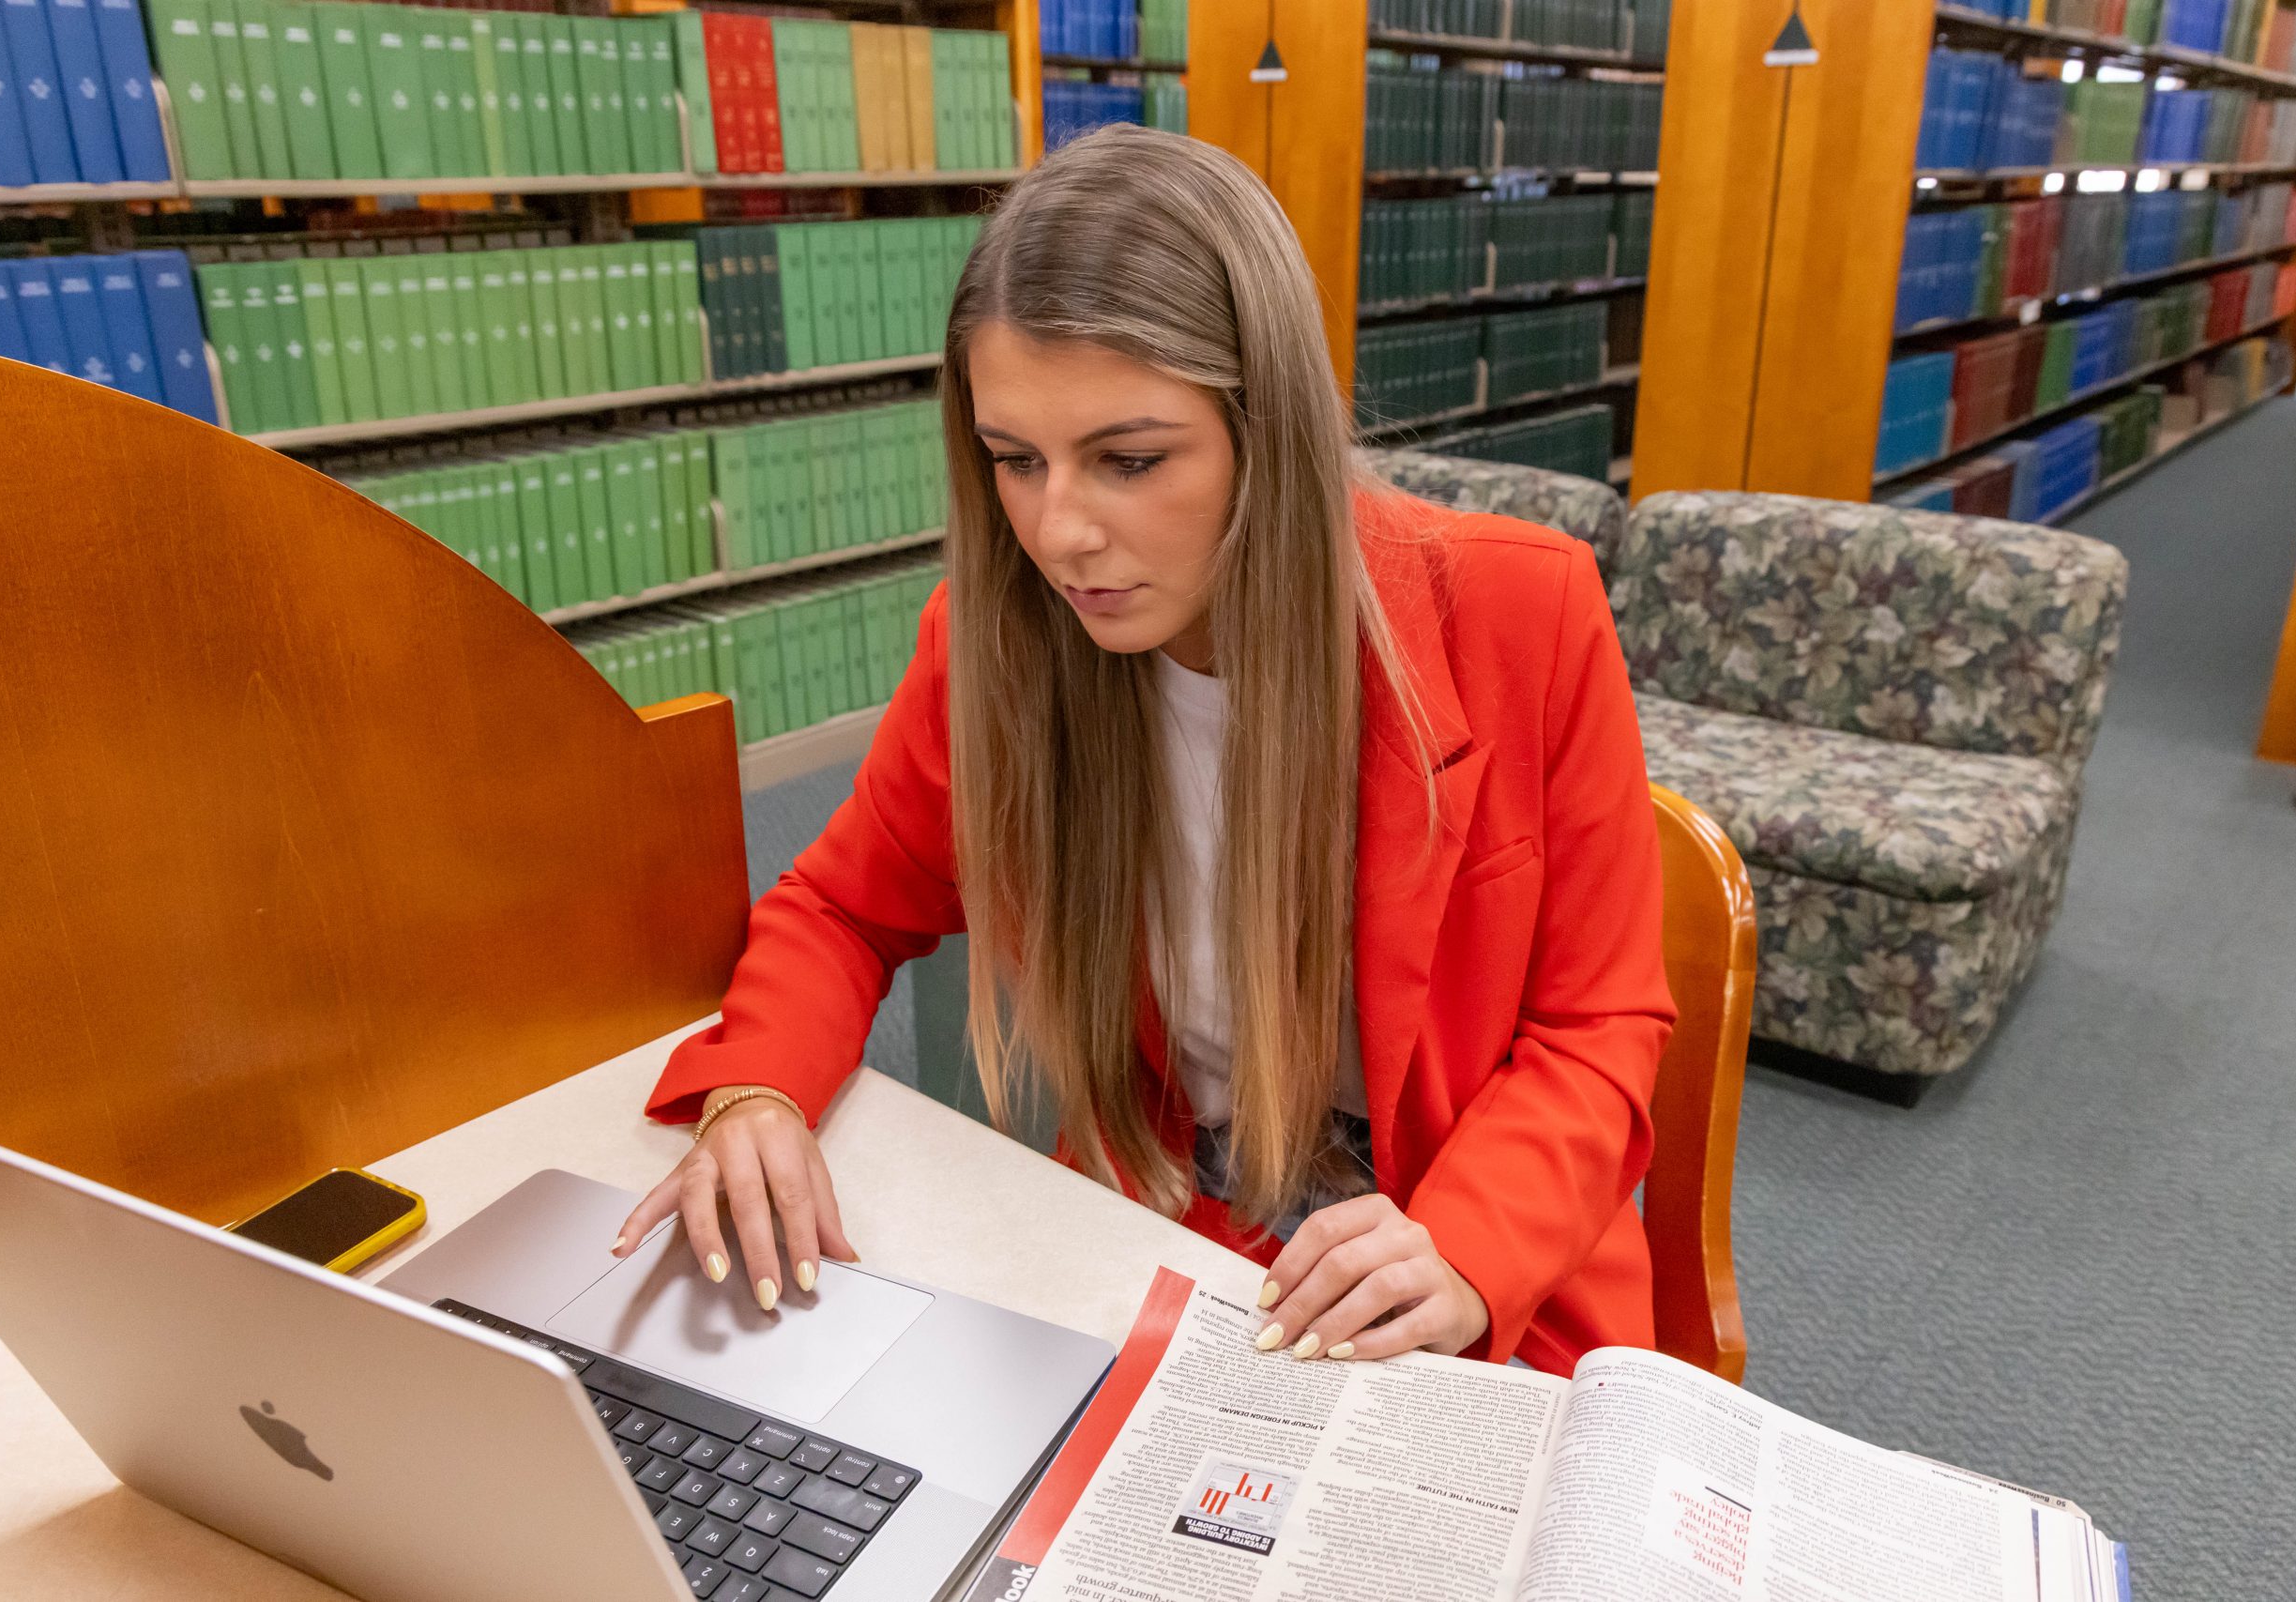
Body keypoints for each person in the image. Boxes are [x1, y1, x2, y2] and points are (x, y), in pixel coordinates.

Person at [615, 125, 1676, 1377]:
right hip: (1176, 1218)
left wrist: (1465, 1246)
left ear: (1261, 430)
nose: (1059, 534)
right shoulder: (997, 646)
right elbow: (841, 903)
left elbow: (1600, 1026)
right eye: (1016, 461)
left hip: (1470, 1247)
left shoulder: (1523, 612)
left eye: (1128, 460)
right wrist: (759, 1092)